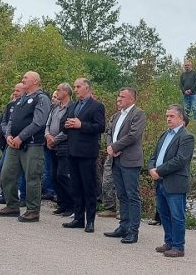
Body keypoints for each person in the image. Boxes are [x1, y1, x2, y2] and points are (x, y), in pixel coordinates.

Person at [0, 71, 51, 222]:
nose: (22, 79)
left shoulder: (42, 98)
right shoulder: (21, 99)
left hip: (32, 145)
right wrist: (8, 135)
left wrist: (21, 137)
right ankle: (12, 205)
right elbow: (11, 120)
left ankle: (33, 210)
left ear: (35, 81)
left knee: (32, 177)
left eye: (26, 77)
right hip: (14, 144)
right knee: (6, 174)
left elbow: (39, 122)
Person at [148, 104, 194, 258]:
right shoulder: (164, 134)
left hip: (174, 182)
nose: (168, 118)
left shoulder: (186, 136)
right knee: (164, 214)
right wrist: (151, 168)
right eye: (167, 116)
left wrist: (159, 171)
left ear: (181, 118)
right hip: (160, 181)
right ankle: (169, 242)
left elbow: (180, 160)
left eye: (172, 116)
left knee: (177, 215)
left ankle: (178, 246)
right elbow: (154, 155)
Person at [62, 78, 105, 232]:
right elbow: (63, 124)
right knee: (76, 186)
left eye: (78, 86)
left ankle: (91, 220)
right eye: (75, 86)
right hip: (72, 151)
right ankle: (78, 218)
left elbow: (100, 126)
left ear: (87, 88)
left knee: (89, 187)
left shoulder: (97, 106)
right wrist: (67, 125)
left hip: (87, 153)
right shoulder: (73, 105)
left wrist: (81, 125)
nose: (76, 89)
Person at [104, 87, 146, 244]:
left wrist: (115, 147)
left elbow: (133, 135)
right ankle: (123, 226)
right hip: (116, 160)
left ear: (131, 99)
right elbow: (109, 132)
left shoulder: (138, 114)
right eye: (118, 95)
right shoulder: (116, 115)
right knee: (121, 195)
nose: (118, 99)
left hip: (130, 160)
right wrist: (110, 147)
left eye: (122, 96)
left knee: (132, 195)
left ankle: (133, 231)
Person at [0, 84, 27, 205]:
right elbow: (2, 122)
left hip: (22, 142)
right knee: (2, 168)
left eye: (18, 90)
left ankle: (20, 197)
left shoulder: (27, 106)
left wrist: (18, 137)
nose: (15, 92)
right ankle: (4, 194)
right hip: (7, 142)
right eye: (14, 90)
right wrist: (7, 135)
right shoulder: (10, 105)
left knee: (20, 171)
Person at [45, 83, 74, 217]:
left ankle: (71, 204)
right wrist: (47, 136)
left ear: (66, 92)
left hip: (64, 146)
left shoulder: (72, 108)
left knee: (62, 175)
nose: (56, 92)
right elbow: (48, 123)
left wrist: (55, 139)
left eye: (58, 90)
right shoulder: (55, 107)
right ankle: (62, 203)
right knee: (53, 176)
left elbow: (68, 129)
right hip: (51, 146)